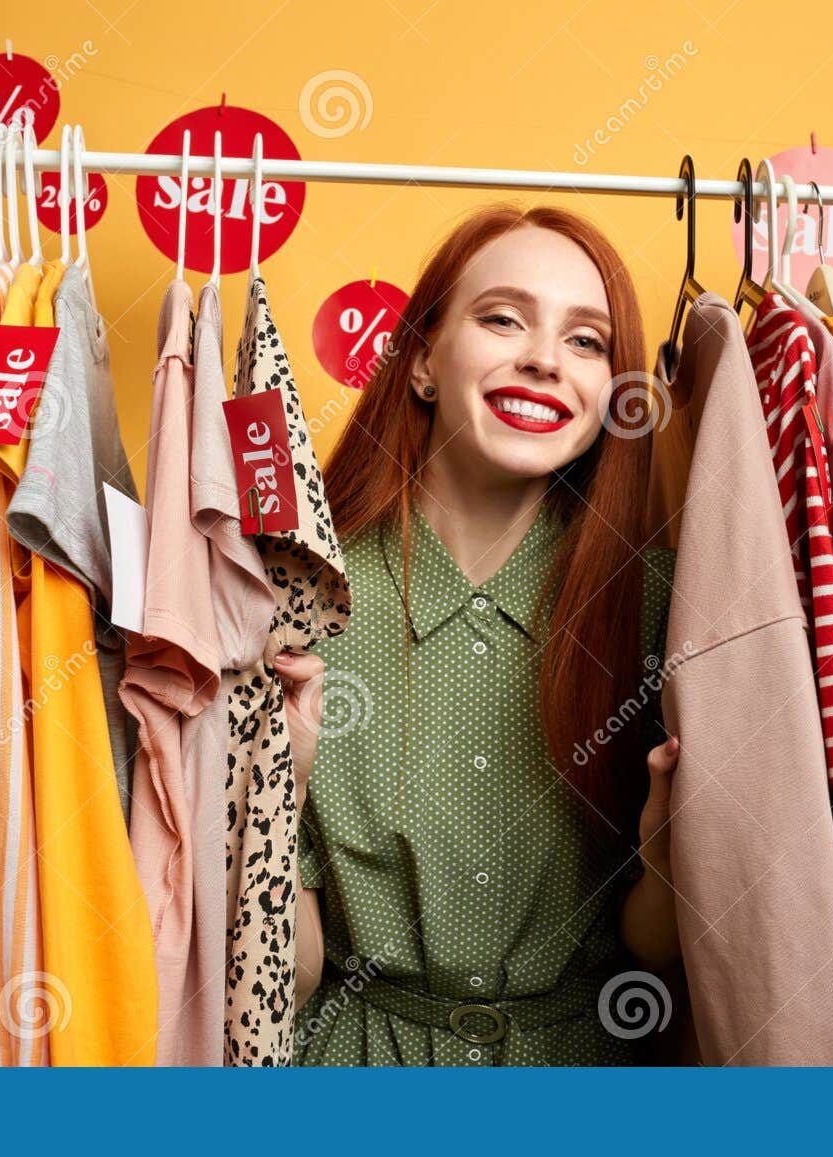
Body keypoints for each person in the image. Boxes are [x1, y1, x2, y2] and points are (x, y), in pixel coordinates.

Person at [273, 204, 680, 1065]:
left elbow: (656, 949)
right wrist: (281, 784)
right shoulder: (302, 598)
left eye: (587, 342)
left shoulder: (661, 606)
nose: (542, 358)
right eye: (503, 319)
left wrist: (669, 843)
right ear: (421, 359)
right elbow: (296, 975)